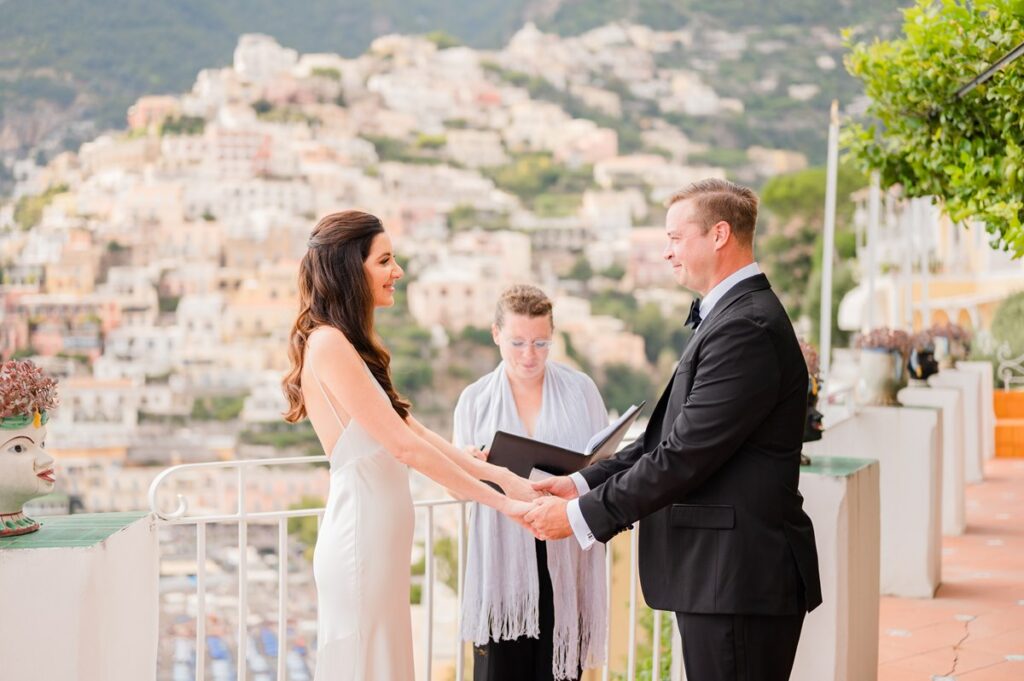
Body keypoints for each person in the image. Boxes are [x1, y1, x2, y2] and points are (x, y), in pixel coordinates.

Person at [526, 179, 822, 681]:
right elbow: (666, 440)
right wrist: (581, 482)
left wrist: (579, 517)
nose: (666, 253)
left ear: (719, 235)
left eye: (675, 238)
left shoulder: (744, 327)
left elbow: (684, 455)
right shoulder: (733, 316)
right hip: (723, 577)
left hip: (734, 577)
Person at [282, 210, 535, 681]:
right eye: (385, 261)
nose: (397, 272)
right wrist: (503, 504)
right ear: (349, 269)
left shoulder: (345, 344)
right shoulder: (329, 344)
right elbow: (405, 448)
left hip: (378, 542)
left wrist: (500, 476)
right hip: (361, 541)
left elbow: (413, 431)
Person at [454, 285, 607, 681]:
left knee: (559, 672)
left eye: (541, 342)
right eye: (517, 342)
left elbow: (605, 465)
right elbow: (455, 488)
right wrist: (472, 466)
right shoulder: (474, 400)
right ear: (495, 335)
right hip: (502, 567)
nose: (529, 355)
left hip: (564, 553)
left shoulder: (581, 390)